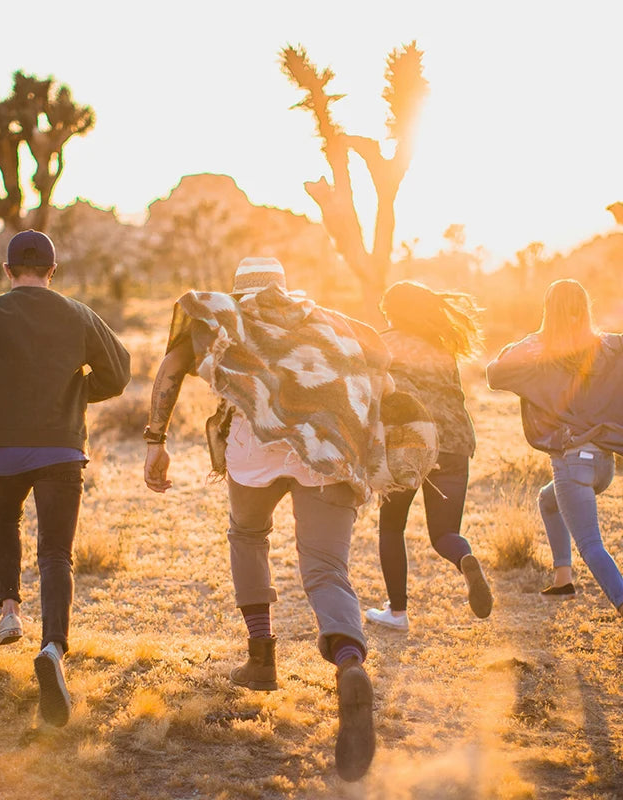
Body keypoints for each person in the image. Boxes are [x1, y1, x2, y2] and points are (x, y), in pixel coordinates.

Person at [143, 257, 436, 782]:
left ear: (238, 290)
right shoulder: (328, 323)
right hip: (326, 453)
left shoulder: (225, 318)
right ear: (284, 287)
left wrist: (154, 440)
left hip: (252, 456)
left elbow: (170, 369)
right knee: (325, 567)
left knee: (248, 536)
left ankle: (261, 659)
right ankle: (349, 661)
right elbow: (378, 371)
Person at [0, 230, 130, 726]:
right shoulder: (79, 314)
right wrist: (80, 391)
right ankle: (54, 649)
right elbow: (120, 371)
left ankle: (9, 614)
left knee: (5, 518)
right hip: (62, 444)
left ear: (8, 270)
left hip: (3, 448)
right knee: (56, 551)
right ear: (52, 272)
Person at [487, 278, 623, 615]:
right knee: (548, 501)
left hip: (573, 463)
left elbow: (494, 373)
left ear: (549, 311)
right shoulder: (607, 344)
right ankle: (563, 578)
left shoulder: (539, 347)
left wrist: (530, 340)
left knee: (591, 544)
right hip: (603, 464)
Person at [365, 281, 493, 632]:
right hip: (454, 443)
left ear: (393, 311)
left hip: (409, 444)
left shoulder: (384, 343)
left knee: (392, 526)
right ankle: (464, 558)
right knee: (444, 533)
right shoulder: (442, 348)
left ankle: (397, 613)